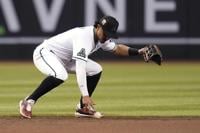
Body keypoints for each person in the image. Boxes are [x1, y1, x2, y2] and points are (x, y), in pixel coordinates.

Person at [19, 16, 146, 119]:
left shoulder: (102, 38)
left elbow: (117, 49)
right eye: (105, 33)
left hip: (66, 59)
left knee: (96, 69)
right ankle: (28, 101)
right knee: (61, 75)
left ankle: (82, 108)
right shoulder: (84, 37)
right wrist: (85, 95)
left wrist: (139, 52)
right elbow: (80, 68)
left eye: (109, 34)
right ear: (98, 27)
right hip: (45, 53)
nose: (107, 37)